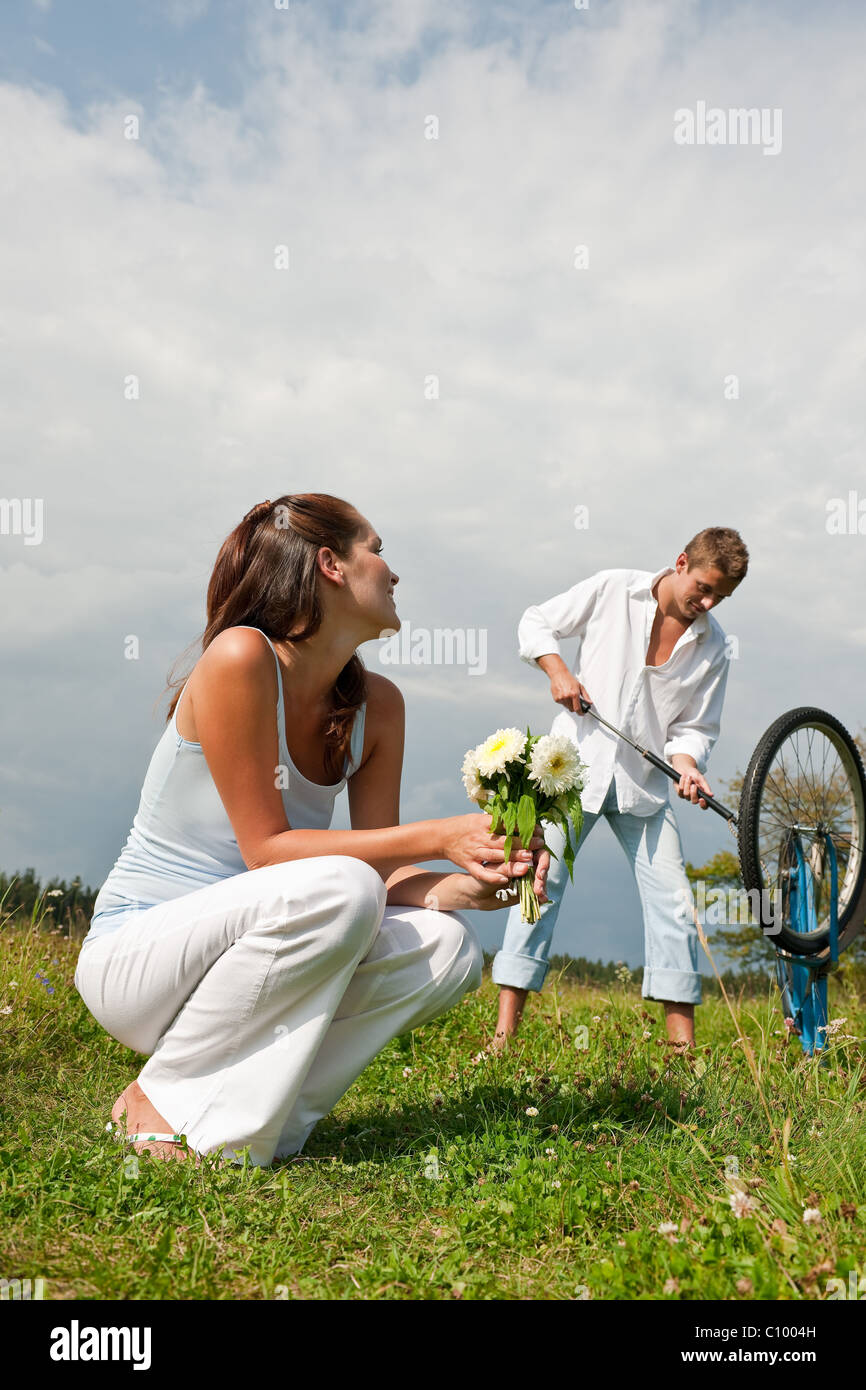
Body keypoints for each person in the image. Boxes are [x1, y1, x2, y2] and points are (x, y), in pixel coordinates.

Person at [75, 494, 547, 1167]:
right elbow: (268, 852)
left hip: (263, 951)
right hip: (142, 960)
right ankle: (159, 1101)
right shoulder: (242, 658)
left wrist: (476, 884)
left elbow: (383, 875)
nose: (392, 572)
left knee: (449, 950)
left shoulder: (376, 707)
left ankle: (261, 1130)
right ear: (330, 564)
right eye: (376, 549)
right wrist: (440, 833)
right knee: (341, 887)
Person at [490, 527, 749, 1050]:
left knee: (676, 903)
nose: (707, 602)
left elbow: (694, 728)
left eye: (720, 596)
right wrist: (557, 669)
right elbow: (536, 621)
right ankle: (503, 1038)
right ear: (680, 562)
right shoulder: (613, 589)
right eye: (703, 587)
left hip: (646, 789)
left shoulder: (715, 645)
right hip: (572, 773)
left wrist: (688, 764)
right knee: (538, 889)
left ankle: (682, 1053)